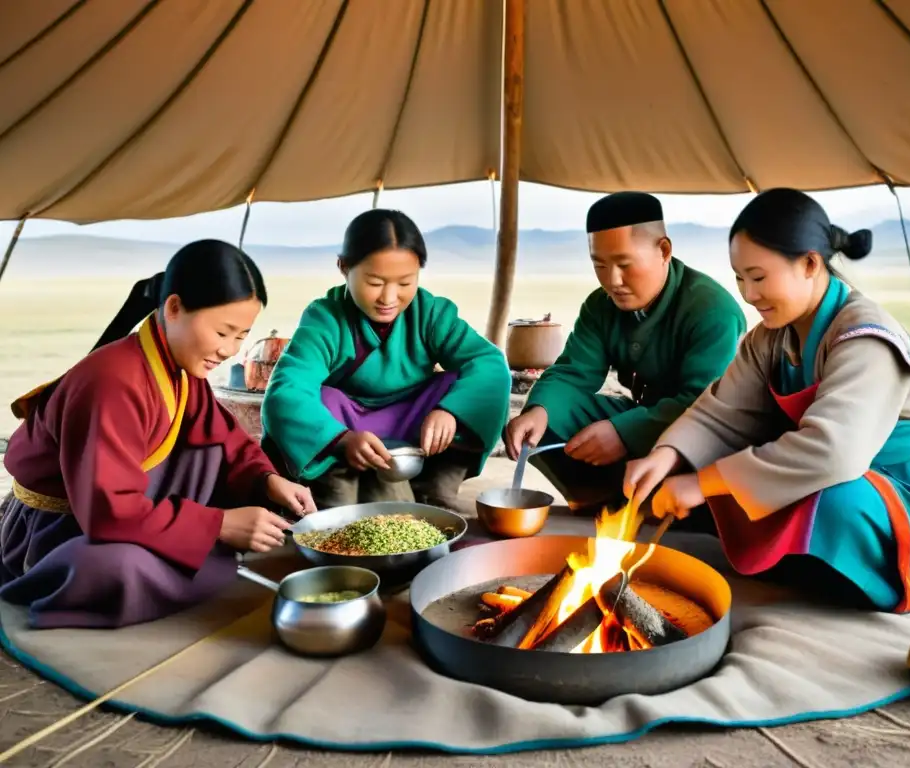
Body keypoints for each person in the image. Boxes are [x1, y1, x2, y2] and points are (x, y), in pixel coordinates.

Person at [624, 188, 910, 613]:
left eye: (758, 277)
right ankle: (807, 559)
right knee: (731, 477)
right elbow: (723, 413)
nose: (748, 294)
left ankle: (855, 572)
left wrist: (702, 482)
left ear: (810, 264)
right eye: (740, 279)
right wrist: (666, 456)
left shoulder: (866, 334)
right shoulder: (769, 338)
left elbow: (834, 451)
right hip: (836, 467)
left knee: (827, 503)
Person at [0, 240, 316, 630]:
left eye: (241, 335)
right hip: (57, 532)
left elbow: (225, 438)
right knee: (119, 571)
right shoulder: (111, 381)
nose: (230, 351)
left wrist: (268, 481)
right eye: (222, 332)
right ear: (174, 308)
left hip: (118, 513)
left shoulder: (178, 365)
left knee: (212, 451)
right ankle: (65, 578)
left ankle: (185, 552)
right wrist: (219, 525)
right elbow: (108, 512)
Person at [503, 191, 747, 512]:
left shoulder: (712, 310)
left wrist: (623, 433)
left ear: (664, 250)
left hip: (701, 434)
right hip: (643, 420)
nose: (612, 280)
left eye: (624, 264)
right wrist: (540, 409)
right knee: (546, 420)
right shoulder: (599, 306)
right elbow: (574, 373)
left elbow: (703, 405)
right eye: (599, 265)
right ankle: (602, 505)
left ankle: (665, 510)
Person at [261, 209, 511, 509]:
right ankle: (335, 490)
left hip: (412, 425)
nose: (389, 298)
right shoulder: (324, 318)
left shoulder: (431, 312)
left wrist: (451, 412)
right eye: (375, 282)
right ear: (344, 268)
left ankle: (434, 488)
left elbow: (489, 363)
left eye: (405, 283)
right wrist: (341, 439)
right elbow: (286, 391)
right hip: (348, 425)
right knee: (320, 397)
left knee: (461, 384)